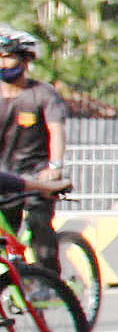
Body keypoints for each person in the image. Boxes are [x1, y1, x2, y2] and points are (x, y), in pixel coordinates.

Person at [0, 24, 63, 267]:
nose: (3, 63)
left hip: (36, 174)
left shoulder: (43, 94)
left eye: (8, 57)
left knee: (39, 223)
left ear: (26, 60)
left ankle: (51, 282)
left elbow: (56, 131)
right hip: (5, 176)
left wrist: (55, 166)